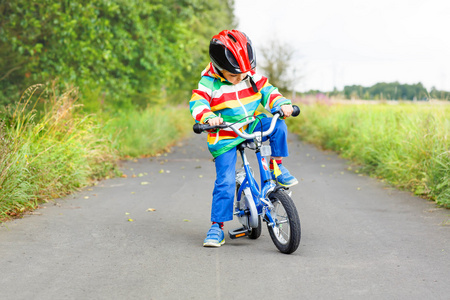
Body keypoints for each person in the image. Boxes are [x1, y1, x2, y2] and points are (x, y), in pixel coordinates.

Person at [189, 29, 298, 247]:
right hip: (225, 133)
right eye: (234, 76)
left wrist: (281, 104)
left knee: (278, 125)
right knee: (226, 181)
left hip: (250, 123)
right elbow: (198, 103)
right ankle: (216, 227)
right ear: (219, 68)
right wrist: (208, 117)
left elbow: (269, 92)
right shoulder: (209, 83)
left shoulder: (249, 74)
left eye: (244, 74)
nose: (241, 79)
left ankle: (277, 166)